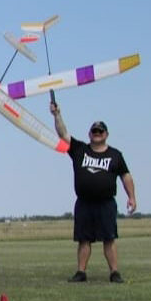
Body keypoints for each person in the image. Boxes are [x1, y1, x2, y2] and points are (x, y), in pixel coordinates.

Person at [50, 103, 136, 283]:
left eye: (100, 131)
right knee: (83, 239)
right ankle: (81, 272)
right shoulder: (80, 149)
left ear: (106, 135)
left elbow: (125, 176)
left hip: (106, 203)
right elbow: (63, 134)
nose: (97, 134)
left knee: (109, 238)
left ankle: (114, 272)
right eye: (94, 131)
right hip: (84, 203)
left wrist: (132, 197)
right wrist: (57, 115)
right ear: (89, 134)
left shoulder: (115, 155)